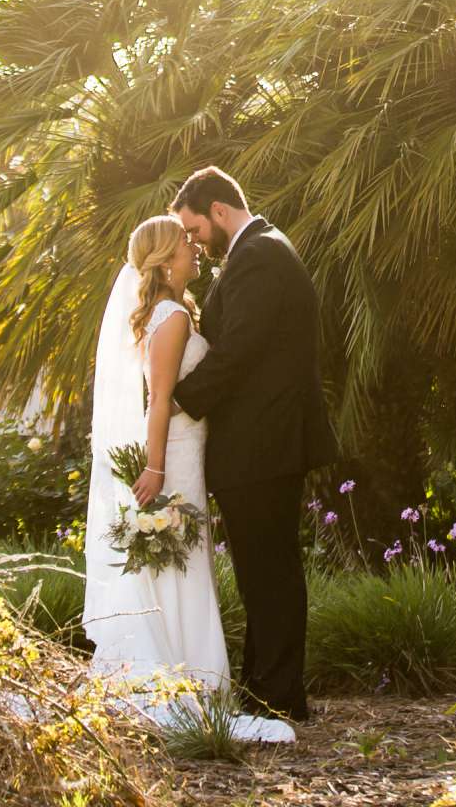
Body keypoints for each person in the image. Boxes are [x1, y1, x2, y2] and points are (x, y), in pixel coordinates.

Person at [82, 213, 293, 743]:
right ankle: (180, 679)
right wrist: (154, 468)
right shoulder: (171, 316)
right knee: (179, 565)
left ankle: (177, 674)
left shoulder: (165, 312)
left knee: (175, 565)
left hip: (180, 455)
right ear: (164, 258)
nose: (194, 249)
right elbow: (159, 401)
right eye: (184, 244)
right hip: (173, 461)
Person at [169, 165, 337, 725]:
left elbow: (236, 352)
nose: (193, 242)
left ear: (219, 211)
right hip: (261, 443)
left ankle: (277, 697)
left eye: (194, 230)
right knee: (264, 570)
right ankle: (264, 689)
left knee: (269, 571)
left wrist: (174, 400)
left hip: (264, 444)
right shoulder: (256, 252)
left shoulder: (260, 255)